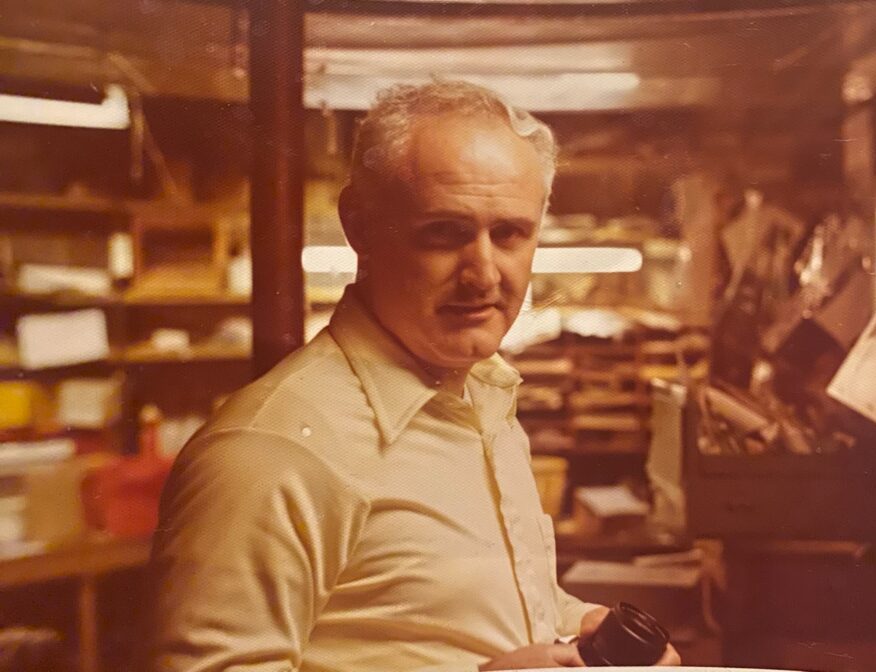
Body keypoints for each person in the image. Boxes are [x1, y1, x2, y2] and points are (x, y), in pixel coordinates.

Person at [146, 80, 681, 671]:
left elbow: (450, 614)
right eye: (445, 233)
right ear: (360, 226)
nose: (483, 274)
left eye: (509, 234)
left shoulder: (483, 399)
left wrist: (577, 628)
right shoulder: (269, 451)